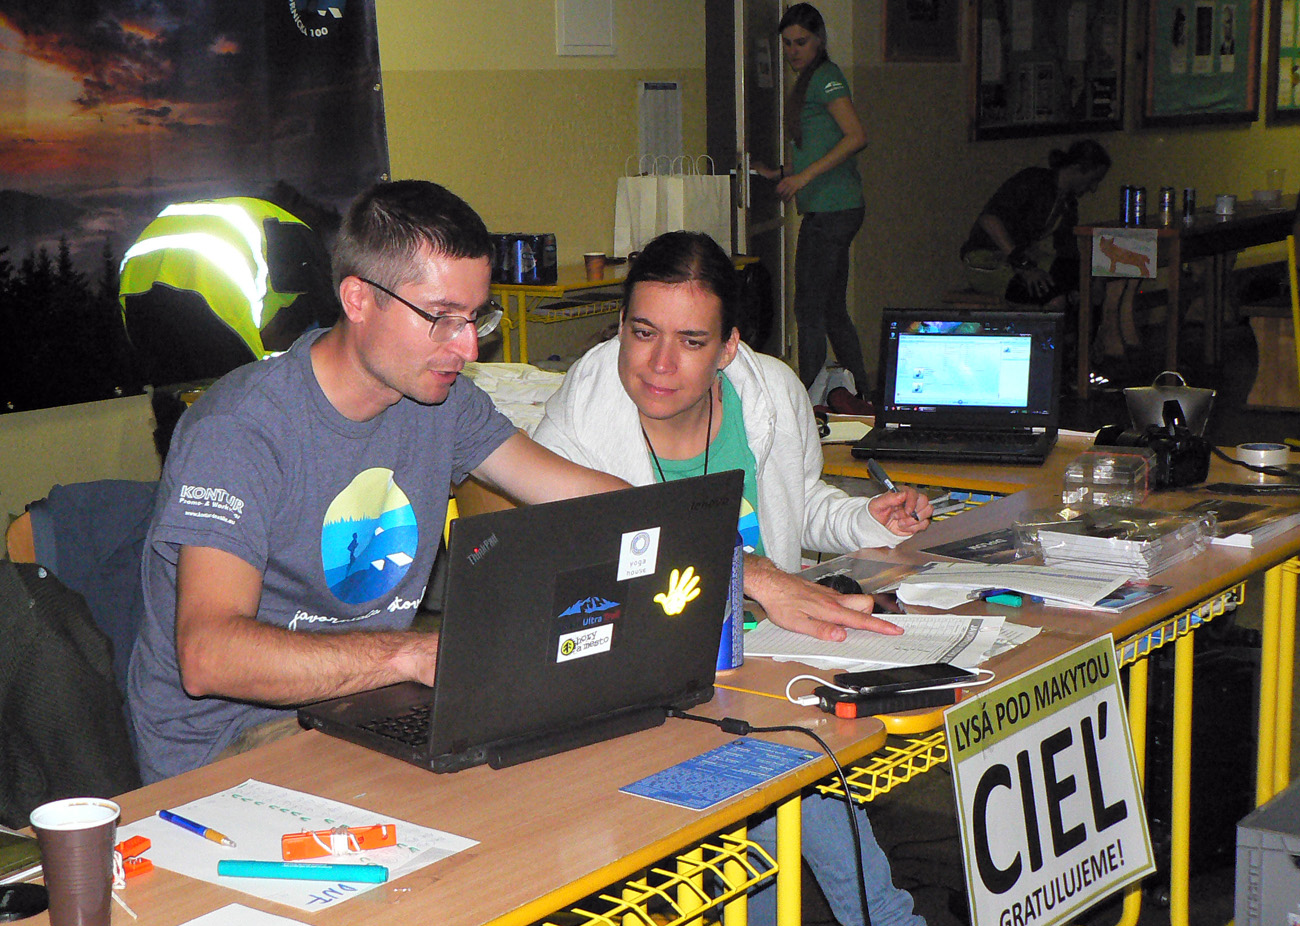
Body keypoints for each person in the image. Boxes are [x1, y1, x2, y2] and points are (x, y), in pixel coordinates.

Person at [125, 180, 628, 784]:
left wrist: (713, 548)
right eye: (441, 318)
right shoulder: (240, 430)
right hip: (229, 748)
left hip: (362, 705)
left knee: (580, 754)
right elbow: (209, 657)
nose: (469, 347)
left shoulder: (442, 402)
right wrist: (409, 654)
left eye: (476, 317)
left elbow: (581, 495)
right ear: (359, 299)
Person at [533, 230, 932, 926]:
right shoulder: (582, 418)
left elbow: (798, 505)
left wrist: (866, 518)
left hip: (771, 663)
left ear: (727, 349)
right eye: (643, 333)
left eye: (691, 341)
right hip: (653, 680)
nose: (660, 364)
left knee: (791, 796)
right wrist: (752, 576)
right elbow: (576, 561)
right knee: (792, 791)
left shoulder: (770, 394)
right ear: (619, 327)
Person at [754, 3, 872, 408]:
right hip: (831, 207)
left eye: (801, 42)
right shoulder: (807, 82)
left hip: (833, 209)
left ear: (819, 40)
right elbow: (820, 146)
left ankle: (807, 402)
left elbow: (855, 136)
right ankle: (861, 394)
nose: (792, 51)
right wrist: (780, 171)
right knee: (831, 308)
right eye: (787, 44)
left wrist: (803, 178)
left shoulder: (826, 77)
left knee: (808, 309)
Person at [959, 139, 1141, 363]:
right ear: (1077, 169)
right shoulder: (1033, 181)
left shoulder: (1067, 203)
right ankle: (1050, 363)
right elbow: (989, 220)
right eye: (1092, 180)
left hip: (1023, 257)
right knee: (1053, 297)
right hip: (987, 258)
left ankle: (1085, 357)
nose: (1093, 188)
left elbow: (1067, 250)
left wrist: (1089, 282)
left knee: (1085, 277)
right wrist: (1023, 265)